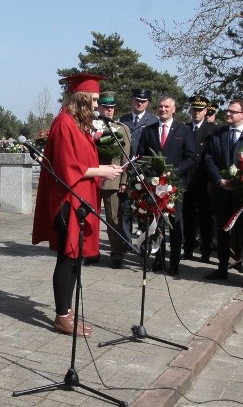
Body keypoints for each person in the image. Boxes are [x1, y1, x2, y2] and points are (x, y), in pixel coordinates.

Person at [32, 73, 124, 336]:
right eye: (94, 99)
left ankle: (68, 313)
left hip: (81, 199)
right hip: (68, 201)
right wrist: (101, 171)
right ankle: (62, 317)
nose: (97, 105)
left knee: (75, 259)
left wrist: (102, 167)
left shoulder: (77, 125)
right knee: (67, 258)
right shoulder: (64, 124)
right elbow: (67, 168)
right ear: (81, 98)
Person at [203, 98, 243, 283]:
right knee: (222, 232)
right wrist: (219, 180)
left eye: (233, 111)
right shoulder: (218, 134)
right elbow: (209, 159)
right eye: (227, 110)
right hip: (222, 191)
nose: (228, 114)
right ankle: (222, 268)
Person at [136, 95, 197, 275]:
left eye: (167, 107)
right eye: (160, 106)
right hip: (154, 185)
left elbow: (191, 157)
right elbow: (140, 156)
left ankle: (175, 262)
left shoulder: (184, 130)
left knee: (174, 225)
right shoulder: (149, 130)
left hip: (174, 186)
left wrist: (173, 172)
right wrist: (149, 174)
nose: (163, 109)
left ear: (174, 109)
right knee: (156, 224)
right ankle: (159, 259)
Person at [94, 90, 130, 269]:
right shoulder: (90, 126)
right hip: (91, 177)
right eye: (105, 107)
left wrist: (123, 179)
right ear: (99, 107)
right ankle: (91, 252)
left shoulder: (121, 128)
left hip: (113, 179)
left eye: (112, 107)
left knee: (113, 218)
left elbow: (126, 157)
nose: (109, 110)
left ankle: (117, 254)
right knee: (90, 217)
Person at [119, 88, 159, 244]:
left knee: (144, 209)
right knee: (125, 209)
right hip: (126, 171)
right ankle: (127, 242)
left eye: (143, 102)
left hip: (144, 171)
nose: (139, 104)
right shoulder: (123, 120)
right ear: (132, 101)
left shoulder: (153, 121)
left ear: (147, 103)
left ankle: (143, 242)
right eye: (137, 100)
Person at [183, 95, 218, 263]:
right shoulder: (185, 128)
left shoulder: (213, 130)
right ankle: (188, 248)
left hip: (204, 179)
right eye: (193, 110)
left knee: (205, 216)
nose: (196, 113)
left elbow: (214, 156)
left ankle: (206, 250)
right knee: (187, 215)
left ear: (206, 111)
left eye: (199, 110)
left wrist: (212, 180)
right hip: (187, 178)